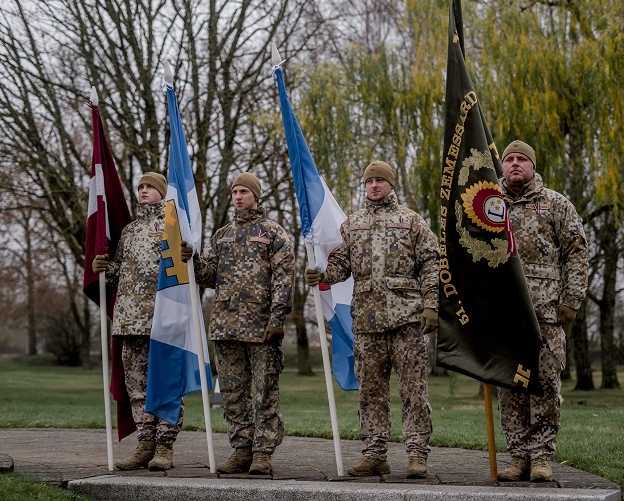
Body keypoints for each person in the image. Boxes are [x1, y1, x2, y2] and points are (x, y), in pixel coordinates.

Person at [304, 160, 439, 479]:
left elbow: (431, 264)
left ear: (391, 184)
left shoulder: (411, 221)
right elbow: (341, 266)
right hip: (367, 322)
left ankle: (417, 454)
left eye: (380, 180)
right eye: (369, 181)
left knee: (414, 390)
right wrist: (321, 273)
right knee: (371, 391)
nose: (374, 185)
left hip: (407, 321)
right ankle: (375, 453)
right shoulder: (352, 224)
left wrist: (431, 306)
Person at [185, 172, 294, 476]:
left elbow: (284, 278)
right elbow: (208, 276)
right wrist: (192, 260)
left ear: (256, 195)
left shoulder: (274, 233)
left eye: (244, 191)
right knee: (232, 393)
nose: (238, 196)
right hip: (225, 325)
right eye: (234, 191)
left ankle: (262, 452)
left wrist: (277, 317)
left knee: (264, 391)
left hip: (260, 326)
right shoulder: (221, 235)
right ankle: (242, 449)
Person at [496, 140, 588, 482]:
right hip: (505, 315)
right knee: (511, 386)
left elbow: (576, 253)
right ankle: (517, 456)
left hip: (546, 312)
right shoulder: (490, 205)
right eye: (509, 160)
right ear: (502, 166)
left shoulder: (556, 205)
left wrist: (571, 300)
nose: (515, 164)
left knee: (546, 385)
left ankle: (541, 458)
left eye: (522, 159)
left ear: (533, 166)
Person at [92, 172, 184, 471]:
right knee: (137, 387)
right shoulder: (129, 232)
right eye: (141, 187)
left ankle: (165, 446)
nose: (143, 191)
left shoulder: (173, 227)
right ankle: (145, 443)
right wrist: (105, 267)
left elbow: (184, 272)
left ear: (161, 192)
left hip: (163, 320)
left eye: (149, 187)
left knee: (167, 383)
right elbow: (120, 274)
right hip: (130, 321)